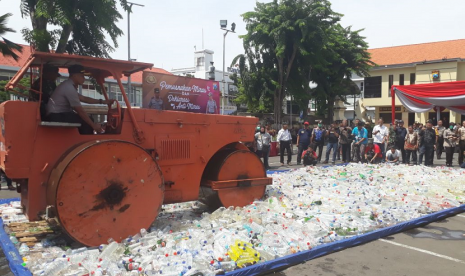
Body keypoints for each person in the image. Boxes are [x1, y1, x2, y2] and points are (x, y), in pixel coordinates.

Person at [46, 65, 113, 134]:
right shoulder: (69, 88)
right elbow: (79, 110)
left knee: (88, 118)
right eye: (82, 76)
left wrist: (103, 101)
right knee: (87, 120)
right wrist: (94, 126)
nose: (84, 78)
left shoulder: (68, 85)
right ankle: (87, 140)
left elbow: (83, 98)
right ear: (74, 76)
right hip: (56, 116)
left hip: (57, 115)